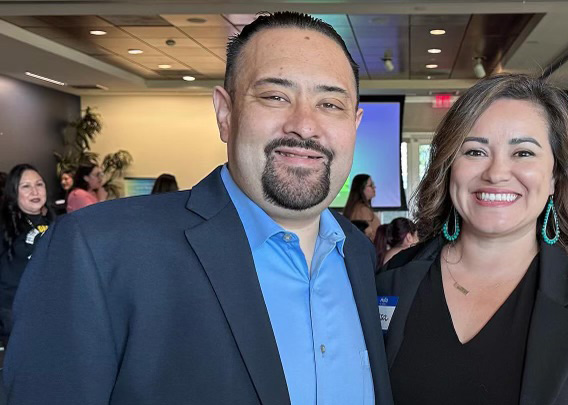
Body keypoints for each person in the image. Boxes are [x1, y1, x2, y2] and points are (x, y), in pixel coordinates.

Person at [4, 12, 392, 405]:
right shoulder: (97, 251)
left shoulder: (355, 253)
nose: (305, 126)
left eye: (330, 103)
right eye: (276, 96)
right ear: (225, 113)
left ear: (355, 124)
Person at [376, 74, 568, 404]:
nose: (496, 173)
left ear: (556, 176)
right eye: (474, 151)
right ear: (448, 168)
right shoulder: (390, 283)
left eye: (524, 153)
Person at [0, 164, 54, 347]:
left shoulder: (58, 221)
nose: (34, 191)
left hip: (48, 307)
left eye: (39, 184)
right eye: (26, 186)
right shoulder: (4, 225)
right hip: (14, 312)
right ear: (14, 192)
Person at [343, 174, 381, 240]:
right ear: (361, 189)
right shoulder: (362, 210)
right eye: (371, 185)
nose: (374, 187)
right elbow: (367, 235)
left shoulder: (357, 208)